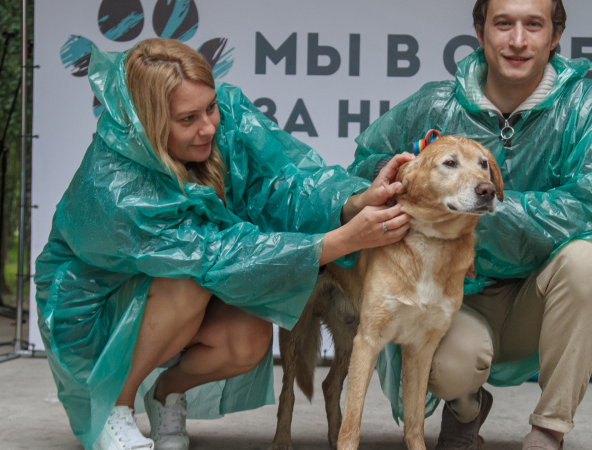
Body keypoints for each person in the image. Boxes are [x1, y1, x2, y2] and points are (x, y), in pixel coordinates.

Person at [34, 38, 413, 450]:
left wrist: (351, 203)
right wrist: (340, 241)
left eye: (210, 108)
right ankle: (114, 407)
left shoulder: (226, 116)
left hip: (187, 289)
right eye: (187, 119)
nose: (209, 127)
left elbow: (283, 182)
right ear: (148, 120)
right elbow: (213, 254)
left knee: (247, 340)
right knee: (185, 280)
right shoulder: (115, 184)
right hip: (100, 311)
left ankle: (165, 395)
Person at [348, 1, 592, 449]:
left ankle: (549, 430)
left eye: (533, 25)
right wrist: (405, 171)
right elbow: (365, 165)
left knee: (589, 261)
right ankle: (466, 409)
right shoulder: (433, 104)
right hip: (456, 299)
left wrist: (475, 207)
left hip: (534, 298)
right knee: (439, 366)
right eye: (503, 24)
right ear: (480, 32)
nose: (517, 41)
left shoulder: (586, 105)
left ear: (555, 36)